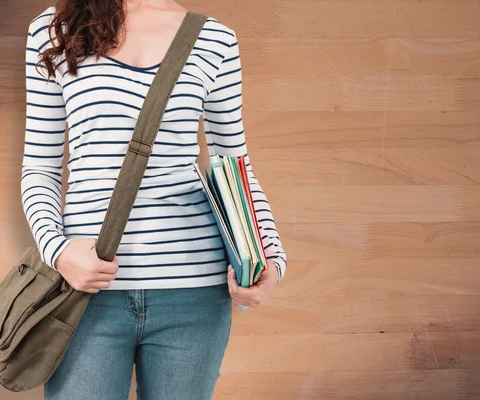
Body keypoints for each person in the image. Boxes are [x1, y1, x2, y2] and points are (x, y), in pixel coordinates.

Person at [22, 1, 287, 398]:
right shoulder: (54, 28)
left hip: (195, 296)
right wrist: (58, 251)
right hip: (85, 295)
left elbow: (235, 168)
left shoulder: (215, 39)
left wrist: (272, 256)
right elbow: (39, 169)